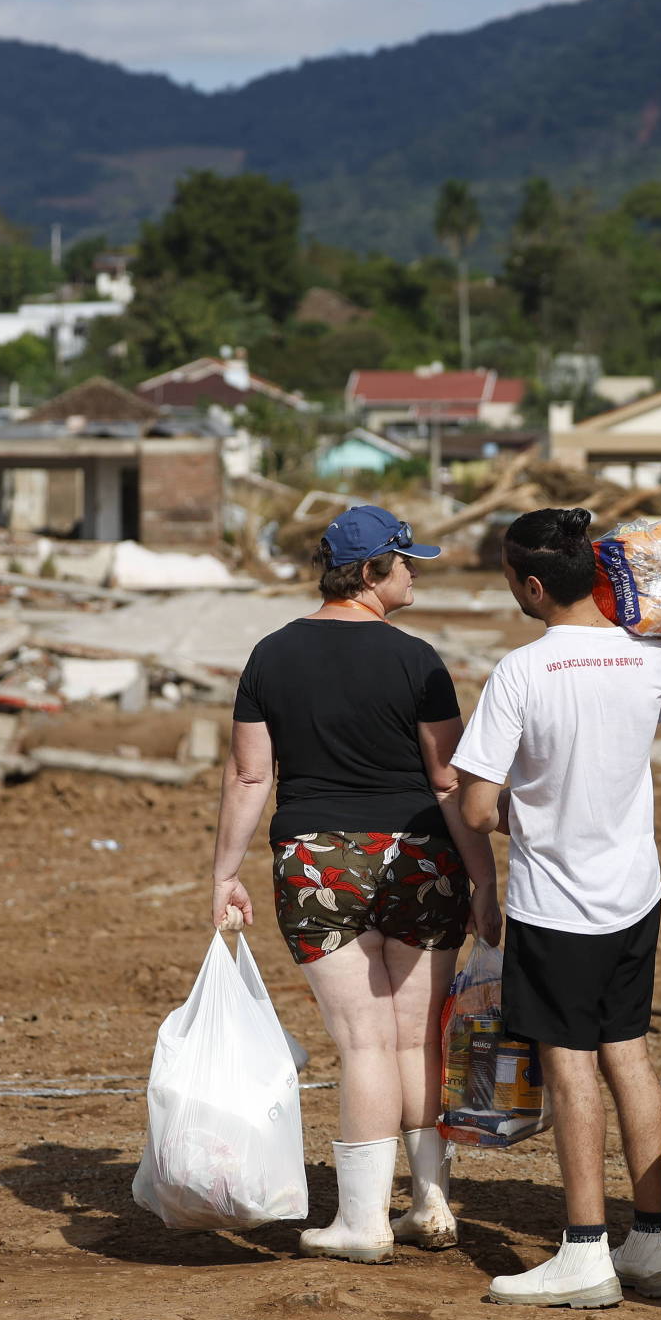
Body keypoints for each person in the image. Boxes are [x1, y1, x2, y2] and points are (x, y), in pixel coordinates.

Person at [208, 504, 501, 1264]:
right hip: (419, 858)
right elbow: (447, 781)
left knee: (364, 1041)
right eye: (406, 563)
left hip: (318, 860)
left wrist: (223, 873)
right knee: (414, 1036)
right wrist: (484, 881)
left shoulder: (271, 655)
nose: (414, 574)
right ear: (372, 573)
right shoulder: (418, 660)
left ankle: (364, 1220)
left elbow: (250, 774)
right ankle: (430, 1201)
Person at [453, 507, 661, 1309]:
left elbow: (477, 807)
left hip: (558, 901)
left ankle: (585, 1249)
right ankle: (651, 1242)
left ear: (534, 584)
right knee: (630, 1053)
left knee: (571, 1062)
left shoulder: (521, 672)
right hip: (635, 890)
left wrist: (534, 809)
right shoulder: (651, 662)